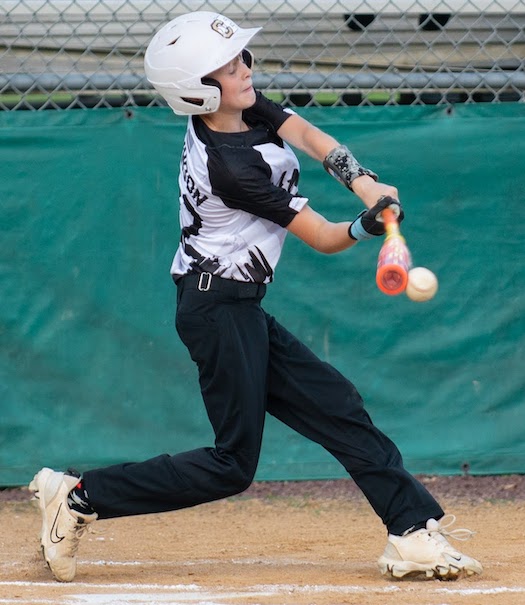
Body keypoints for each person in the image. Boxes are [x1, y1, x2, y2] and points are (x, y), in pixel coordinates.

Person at [29, 11, 482, 584]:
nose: (245, 69)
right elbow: (324, 238)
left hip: (236, 304)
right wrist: (366, 225)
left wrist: (365, 183)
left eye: (241, 58)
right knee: (232, 465)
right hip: (216, 308)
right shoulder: (231, 167)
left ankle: (411, 531)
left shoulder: (238, 109)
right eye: (228, 67)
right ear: (197, 89)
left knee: (337, 406)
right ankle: (78, 497)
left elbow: (309, 136)